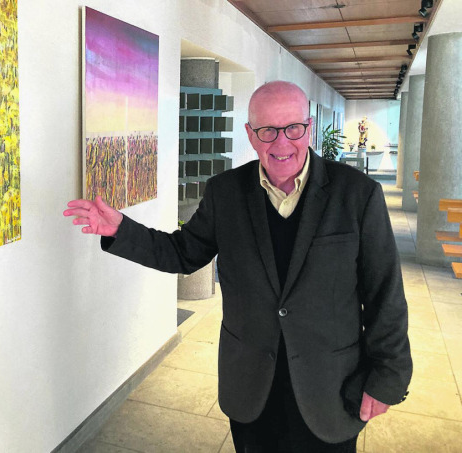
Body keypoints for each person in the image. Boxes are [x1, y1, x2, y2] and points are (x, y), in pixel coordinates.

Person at [63, 81, 412, 452]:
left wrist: (387, 376)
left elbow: (384, 293)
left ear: (308, 127)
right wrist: (121, 229)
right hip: (250, 386)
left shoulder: (357, 194)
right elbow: (183, 253)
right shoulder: (224, 192)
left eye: (293, 128)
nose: (281, 143)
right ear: (250, 134)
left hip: (330, 386)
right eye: (267, 131)